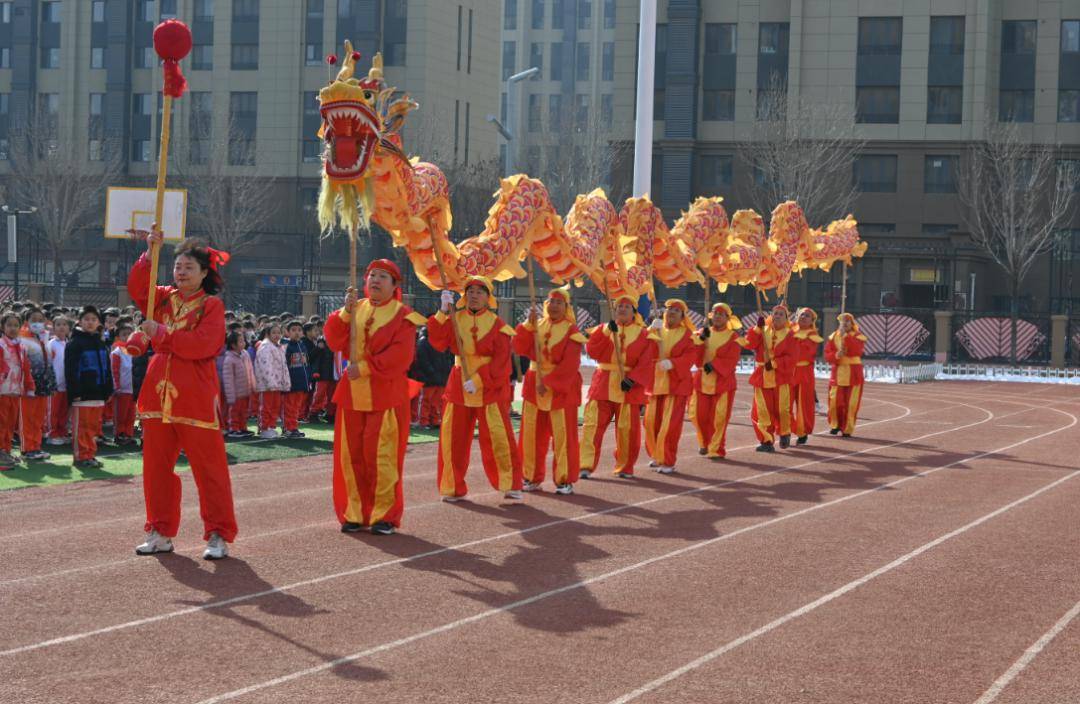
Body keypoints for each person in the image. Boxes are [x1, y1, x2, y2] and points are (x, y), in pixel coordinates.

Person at [128, 229, 237, 560]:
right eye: (177, 266)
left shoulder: (212, 306)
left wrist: (161, 332)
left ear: (205, 273)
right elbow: (137, 288)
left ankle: (218, 533)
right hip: (156, 395)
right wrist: (149, 253)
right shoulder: (161, 298)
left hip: (195, 396)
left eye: (189, 266)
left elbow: (204, 345)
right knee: (156, 469)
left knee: (209, 469)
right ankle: (159, 531)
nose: (181, 271)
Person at [323, 259, 426, 534]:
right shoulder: (355, 308)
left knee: (380, 456)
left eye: (383, 276)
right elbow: (334, 339)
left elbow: (401, 356)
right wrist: (345, 312)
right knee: (351, 455)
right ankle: (354, 512)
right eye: (371, 276)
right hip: (352, 396)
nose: (375, 280)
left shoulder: (403, 316)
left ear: (395, 286)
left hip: (385, 396)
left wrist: (366, 367)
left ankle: (384, 514)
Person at [428, 277, 523, 502]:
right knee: (453, 438)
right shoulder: (454, 318)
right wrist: (441, 312)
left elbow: (501, 362)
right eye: (470, 290)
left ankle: (510, 482)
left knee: (498, 436)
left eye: (480, 291)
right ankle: (452, 486)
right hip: (458, 384)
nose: (474, 295)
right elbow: (438, 341)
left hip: (488, 388)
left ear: (488, 297)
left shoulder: (498, 325)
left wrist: (479, 380)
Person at [514, 286, 586, 494]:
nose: (554, 306)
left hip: (560, 389)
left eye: (559, 303)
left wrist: (550, 383)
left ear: (566, 307)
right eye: (551, 302)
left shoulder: (572, 331)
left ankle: (564, 479)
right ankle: (530, 476)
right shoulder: (537, 325)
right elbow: (518, 347)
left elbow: (571, 363)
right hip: (533, 385)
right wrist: (527, 325)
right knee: (530, 434)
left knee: (563, 436)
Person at [580, 295, 657, 479]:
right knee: (591, 426)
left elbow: (647, 361)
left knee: (627, 430)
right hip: (603, 385)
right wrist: (606, 333)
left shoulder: (644, 334)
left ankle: (625, 466)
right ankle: (585, 464)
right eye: (620, 306)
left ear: (634, 312)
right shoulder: (603, 329)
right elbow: (592, 351)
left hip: (628, 388)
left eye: (627, 307)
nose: (622, 309)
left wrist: (633, 379)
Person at [643, 299, 700, 474]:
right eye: (669, 309)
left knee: (670, 426)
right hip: (655, 383)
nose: (672, 313)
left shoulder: (688, 334)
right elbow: (643, 348)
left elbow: (691, 355)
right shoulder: (657, 330)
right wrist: (650, 331)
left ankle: (667, 460)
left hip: (676, 384)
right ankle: (656, 455)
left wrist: (673, 363)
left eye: (676, 310)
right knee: (651, 423)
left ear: (682, 316)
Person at [691, 302, 747, 461]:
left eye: (721, 314)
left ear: (727, 318)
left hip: (723, 382)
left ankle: (716, 448)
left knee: (719, 418)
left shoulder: (733, 337)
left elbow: (732, 359)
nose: (717, 316)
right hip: (702, 381)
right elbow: (695, 357)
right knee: (698, 416)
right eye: (715, 313)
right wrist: (700, 341)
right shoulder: (703, 332)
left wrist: (714, 365)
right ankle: (705, 442)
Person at [64, 306, 113, 469]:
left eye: (93, 319)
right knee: (82, 427)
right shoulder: (75, 343)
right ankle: (80, 456)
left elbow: (107, 367)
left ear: (99, 322)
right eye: (86, 319)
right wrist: (75, 392)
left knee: (93, 427)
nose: (90, 322)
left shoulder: (100, 343)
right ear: (79, 321)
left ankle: (90, 454)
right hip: (82, 394)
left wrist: (108, 389)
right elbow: (70, 370)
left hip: (98, 393)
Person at [744, 303, 796, 452]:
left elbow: (792, 357)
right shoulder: (762, 331)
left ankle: (785, 432)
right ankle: (766, 440)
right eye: (775, 313)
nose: (777, 316)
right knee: (762, 409)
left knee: (782, 409)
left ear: (786, 318)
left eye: (781, 314)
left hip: (780, 376)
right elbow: (749, 344)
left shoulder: (790, 334)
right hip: (762, 376)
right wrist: (756, 329)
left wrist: (774, 363)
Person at [19, 307, 56, 461]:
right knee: (28, 418)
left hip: (43, 384)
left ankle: (36, 446)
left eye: (41, 320)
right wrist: (27, 383)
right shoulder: (21, 339)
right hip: (28, 385)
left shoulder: (44, 338)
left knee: (38, 418)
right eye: (34, 320)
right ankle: (27, 448)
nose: (38, 323)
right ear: (26, 322)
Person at [824, 312, 867, 437]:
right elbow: (828, 354)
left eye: (848, 321)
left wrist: (846, 338)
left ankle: (847, 428)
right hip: (837, 373)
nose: (846, 323)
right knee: (835, 402)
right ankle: (835, 424)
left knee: (851, 403)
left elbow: (857, 351)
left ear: (852, 323)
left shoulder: (858, 336)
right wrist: (836, 355)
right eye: (843, 321)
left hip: (854, 373)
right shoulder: (833, 337)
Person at [0, 312, 33, 469]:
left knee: (10, 424)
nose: (12, 328)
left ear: (20, 327)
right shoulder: (1, 345)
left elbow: (26, 368)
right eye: (9, 325)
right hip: (2, 390)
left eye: (16, 325)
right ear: (3, 327)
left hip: (15, 391)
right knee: (1, 423)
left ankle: (5, 450)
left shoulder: (22, 347)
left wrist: (29, 386)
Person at [791, 307, 823, 445]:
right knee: (784, 403)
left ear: (812, 321)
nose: (803, 317)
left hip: (804, 372)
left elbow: (804, 352)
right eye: (802, 314)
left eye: (807, 316)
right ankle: (787, 429)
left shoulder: (813, 335)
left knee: (804, 404)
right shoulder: (789, 330)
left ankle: (802, 432)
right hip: (788, 371)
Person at [411, 325, 453, 430]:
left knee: (432, 401)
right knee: (430, 401)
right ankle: (428, 421)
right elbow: (424, 360)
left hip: (434, 377)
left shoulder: (428, 341)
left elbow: (424, 360)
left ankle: (429, 421)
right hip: (434, 377)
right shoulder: (430, 341)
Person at [255, 323, 290, 439]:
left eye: (278, 332)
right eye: (274, 332)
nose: (277, 335)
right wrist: (270, 382)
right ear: (268, 334)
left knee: (275, 406)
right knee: (266, 406)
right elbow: (266, 366)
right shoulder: (265, 346)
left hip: (277, 383)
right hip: (267, 384)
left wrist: (285, 382)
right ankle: (264, 428)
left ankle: (271, 426)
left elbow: (284, 366)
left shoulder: (279, 347)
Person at [221, 330, 257, 439]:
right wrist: (231, 396)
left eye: (243, 341)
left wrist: (253, 386)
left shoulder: (245, 354)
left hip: (245, 391)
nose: (243, 343)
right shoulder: (229, 359)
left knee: (244, 411)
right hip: (236, 393)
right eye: (240, 341)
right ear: (233, 345)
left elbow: (250, 371)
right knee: (235, 411)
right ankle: (233, 428)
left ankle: (242, 427)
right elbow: (228, 379)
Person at [110, 322, 138, 446]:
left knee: (131, 414)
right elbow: (114, 370)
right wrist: (116, 386)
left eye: (129, 334)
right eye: (124, 334)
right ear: (119, 337)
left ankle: (128, 433)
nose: (127, 337)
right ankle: (119, 434)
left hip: (133, 389)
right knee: (120, 414)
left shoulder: (136, 351)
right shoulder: (116, 352)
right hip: (122, 390)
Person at [282, 321, 310, 439]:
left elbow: (307, 363)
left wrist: (308, 378)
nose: (297, 332)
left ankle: (293, 426)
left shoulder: (302, 345)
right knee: (290, 406)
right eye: (293, 330)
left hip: (302, 382)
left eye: (299, 330)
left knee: (297, 406)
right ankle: (289, 428)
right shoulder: (286, 346)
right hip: (291, 382)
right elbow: (284, 365)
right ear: (287, 332)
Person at [47, 315, 71, 445]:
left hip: (66, 385)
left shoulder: (69, 344)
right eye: (58, 324)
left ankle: (62, 432)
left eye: (64, 324)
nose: (61, 327)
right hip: (54, 385)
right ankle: (52, 434)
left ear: (69, 328)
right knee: (53, 411)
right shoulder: (51, 344)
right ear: (53, 328)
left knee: (63, 411)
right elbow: (48, 364)